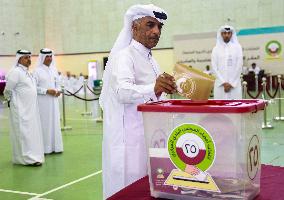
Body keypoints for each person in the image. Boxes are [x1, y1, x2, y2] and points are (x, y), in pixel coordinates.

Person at [99, 4, 176, 199]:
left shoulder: (151, 59)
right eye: (150, 25)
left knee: (145, 185)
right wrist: (154, 87)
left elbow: (154, 94)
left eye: (159, 27)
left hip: (147, 136)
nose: (156, 31)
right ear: (134, 27)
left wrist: (165, 89)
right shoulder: (123, 57)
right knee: (128, 187)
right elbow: (122, 92)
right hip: (129, 141)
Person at [3, 50, 44, 166]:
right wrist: (12, 102)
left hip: (30, 109)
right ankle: (27, 159)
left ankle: (30, 157)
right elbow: (8, 90)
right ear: (19, 59)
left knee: (30, 133)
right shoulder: (16, 72)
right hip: (20, 109)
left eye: (29, 57)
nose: (28, 59)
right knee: (23, 133)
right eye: (26, 57)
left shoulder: (27, 72)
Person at [33, 48, 64, 154]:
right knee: (45, 124)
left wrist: (58, 91)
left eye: (50, 56)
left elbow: (58, 84)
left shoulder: (54, 70)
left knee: (55, 123)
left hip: (54, 102)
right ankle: (45, 149)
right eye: (47, 56)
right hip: (43, 103)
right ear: (42, 58)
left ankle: (56, 147)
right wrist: (46, 91)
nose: (49, 58)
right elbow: (33, 87)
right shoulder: (37, 71)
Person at [211, 25, 243, 99]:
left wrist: (231, 83)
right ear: (221, 34)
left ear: (231, 34)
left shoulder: (237, 48)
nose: (227, 35)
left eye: (229, 33)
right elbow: (214, 67)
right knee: (220, 108)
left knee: (235, 107)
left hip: (234, 85)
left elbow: (239, 66)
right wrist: (223, 83)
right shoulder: (215, 49)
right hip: (220, 85)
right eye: (224, 33)